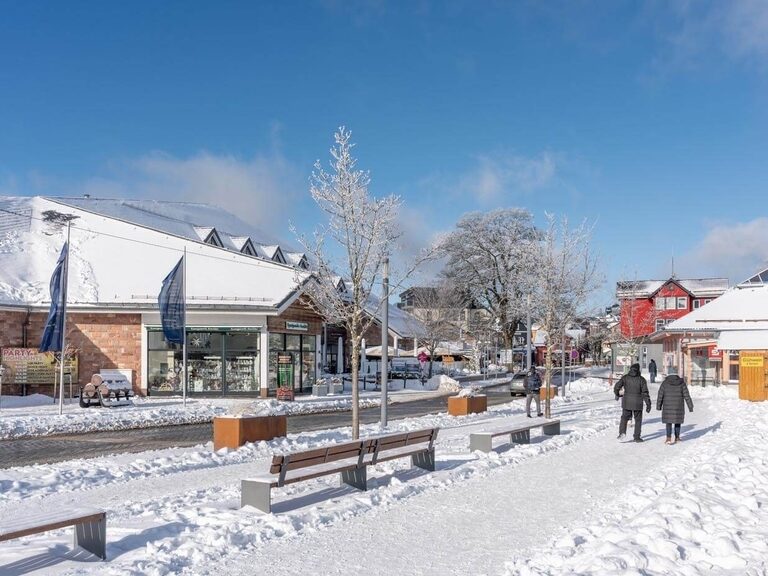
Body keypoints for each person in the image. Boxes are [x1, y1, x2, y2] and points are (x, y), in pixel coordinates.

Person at [614, 363, 651, 442]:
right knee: (638, 420)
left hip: (627, 402)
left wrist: (617, 394)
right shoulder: (641, 379)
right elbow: (645, 393)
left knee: (624, 418)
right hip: (638, 403)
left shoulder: (625, 378)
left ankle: (622, 433)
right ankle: (637, 437)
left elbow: (617, 387)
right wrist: (648, 404)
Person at [656, 373, 694, 444]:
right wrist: (690, 406)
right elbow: (687, 395)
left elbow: (660, 395)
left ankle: (668, 438)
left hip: (667, 406)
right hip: (678, 406)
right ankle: (677, 437)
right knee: (677, 422)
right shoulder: (681, 383)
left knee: (668, 422)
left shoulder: (665, 383)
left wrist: (659, 406)